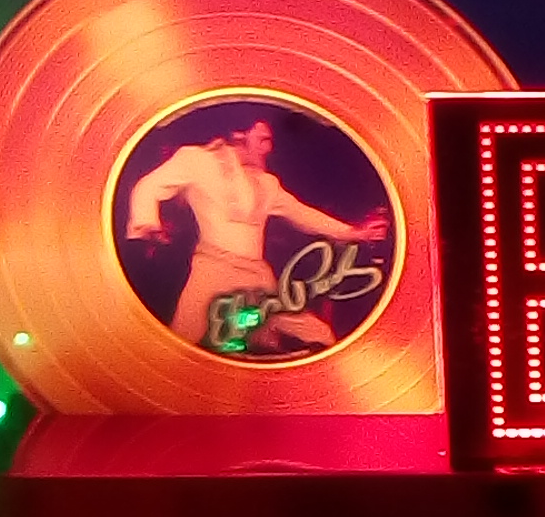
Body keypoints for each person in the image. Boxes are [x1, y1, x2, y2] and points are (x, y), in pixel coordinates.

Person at [124, 115, 389, 349]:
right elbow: (149, 185)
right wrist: (147, 223)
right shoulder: (198, 160)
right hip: (213, 270)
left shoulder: (266, 183)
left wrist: (355, 233)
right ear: (239, 135)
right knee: (180, 345)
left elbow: (303, 214)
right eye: (262, 140)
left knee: (319, 334)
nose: (268, 148)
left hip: (257, 278)